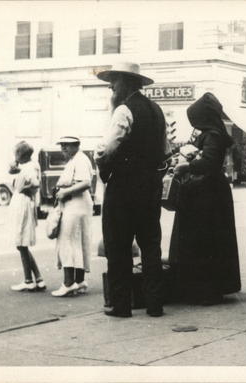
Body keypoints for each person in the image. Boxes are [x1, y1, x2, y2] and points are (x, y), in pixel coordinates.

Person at [95, 62, 168, 318]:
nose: (111, 88)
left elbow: (107, 149)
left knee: (119, 246)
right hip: (150, 186)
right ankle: (155, 303)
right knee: (150, 246)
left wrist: (100, 162)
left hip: (124, 187)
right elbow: (165, 150)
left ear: (124, 83)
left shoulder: (123, 110)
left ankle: (121, 305)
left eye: (113, 82)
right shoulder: (157, 110)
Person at [169, 92, 241, 305]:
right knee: (210, 240)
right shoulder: (213, 133)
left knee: (202, 239)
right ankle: (207, 286)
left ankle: (204, 288)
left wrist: (187, 165)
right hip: (210, 191)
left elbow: (209, 162)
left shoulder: (212, 135)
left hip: (206, 193)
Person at [51, 136, 93, 297]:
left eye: (66, 145)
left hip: (76, 203)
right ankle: (79, 280)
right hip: (78, 203)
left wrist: (64, 192)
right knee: (77, 242)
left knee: (66, 241)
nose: (63, 148)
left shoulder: (80, 159)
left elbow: (86, 183)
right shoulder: (76, 159)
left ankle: (68, 282)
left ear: (76, 145)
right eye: (62, 145)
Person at [9, 141, 45, 292]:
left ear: (20, 155)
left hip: (22, 204)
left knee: (21, 242)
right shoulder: (30, 165)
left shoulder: (28, 168)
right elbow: (12, 171)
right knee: (22, 242)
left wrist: (24, 188)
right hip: (24, 203)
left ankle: (28, 280)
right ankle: (38, 278)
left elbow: (36, 184)